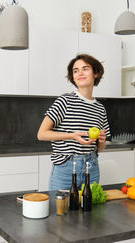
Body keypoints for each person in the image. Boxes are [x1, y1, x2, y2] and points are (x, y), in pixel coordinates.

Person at [37, 54, 111, 190]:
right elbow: (41, 134)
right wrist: (72, 135)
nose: (80, 73)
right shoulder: (64, 101)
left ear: (95, 73)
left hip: (92, 166)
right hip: (66, 167)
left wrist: (101, 140)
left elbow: (100, 148)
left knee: (89, 210)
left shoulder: (100, 108)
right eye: (75, 71)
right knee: (60, 210)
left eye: (85, 69)